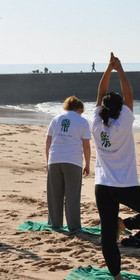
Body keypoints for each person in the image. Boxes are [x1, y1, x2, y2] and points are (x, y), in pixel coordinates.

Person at [93, 52, 140, 280]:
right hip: (124, 185)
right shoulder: (123, 123)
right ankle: (124, 224)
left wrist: (108, 69)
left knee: (107, 234)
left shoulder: (96, 122)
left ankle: (116, 275)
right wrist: (119, 68)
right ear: (120, 109)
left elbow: (99, 93)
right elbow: (130, 94)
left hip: (102, 185)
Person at [45, 96, 91, 231]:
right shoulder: (82, 121)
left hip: (54, 159)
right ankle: (74, 226)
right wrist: (87, 164)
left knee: (54, 195)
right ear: (80, 109)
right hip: (72, 160)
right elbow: (86, 146)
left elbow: (48, 142)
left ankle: (55, 223)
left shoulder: (56, 119)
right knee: (72, 196)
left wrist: (48, 161)